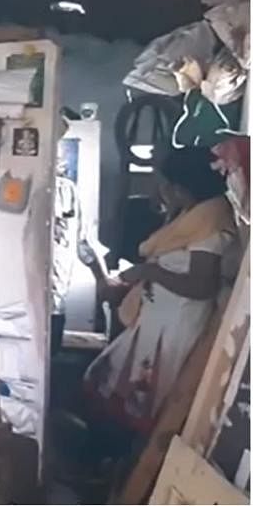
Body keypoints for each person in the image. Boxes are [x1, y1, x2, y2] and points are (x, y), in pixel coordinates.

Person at [85, 146, 238, 434]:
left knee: (146, 407)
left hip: (177, 329)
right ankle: (113, 466)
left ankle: (125, 468)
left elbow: (201, 285)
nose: (164, 190)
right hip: (158, 322)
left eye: (167, 184)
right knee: (111, 387)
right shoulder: (192, 218)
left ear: (181, 188)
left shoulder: (209, 223)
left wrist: (149, 271)